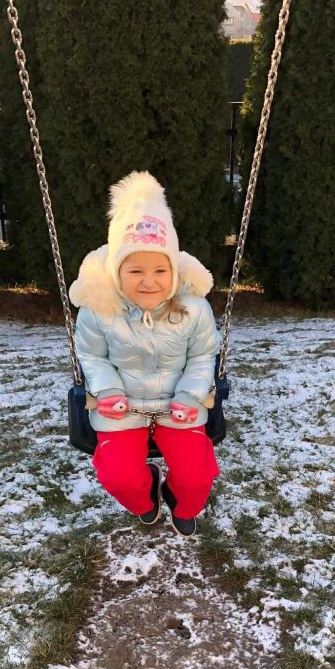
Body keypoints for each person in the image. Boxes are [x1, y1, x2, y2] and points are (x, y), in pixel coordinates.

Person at [69, 171, 221, 538]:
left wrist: (190, 396)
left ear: (174, 269)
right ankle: (146, 494)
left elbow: (203, 357)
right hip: (121, 408)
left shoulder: (194, 307)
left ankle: (180, 500)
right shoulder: (99, 309)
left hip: (179, 406)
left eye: (160, 270)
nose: (149, 281)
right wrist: (107, 391)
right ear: (116, 271)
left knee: (196, 477)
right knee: (119, 477)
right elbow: (92, 356)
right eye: (135, 270)